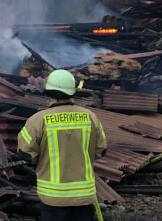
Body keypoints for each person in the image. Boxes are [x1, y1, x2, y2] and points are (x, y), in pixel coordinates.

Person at [17, 69, 107, 221]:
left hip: (53, 198)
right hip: (84, 196)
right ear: (73, 91)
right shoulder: (90, 117)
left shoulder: (37, 120)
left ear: (49, 91)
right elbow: (101, 151)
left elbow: (26, 155)